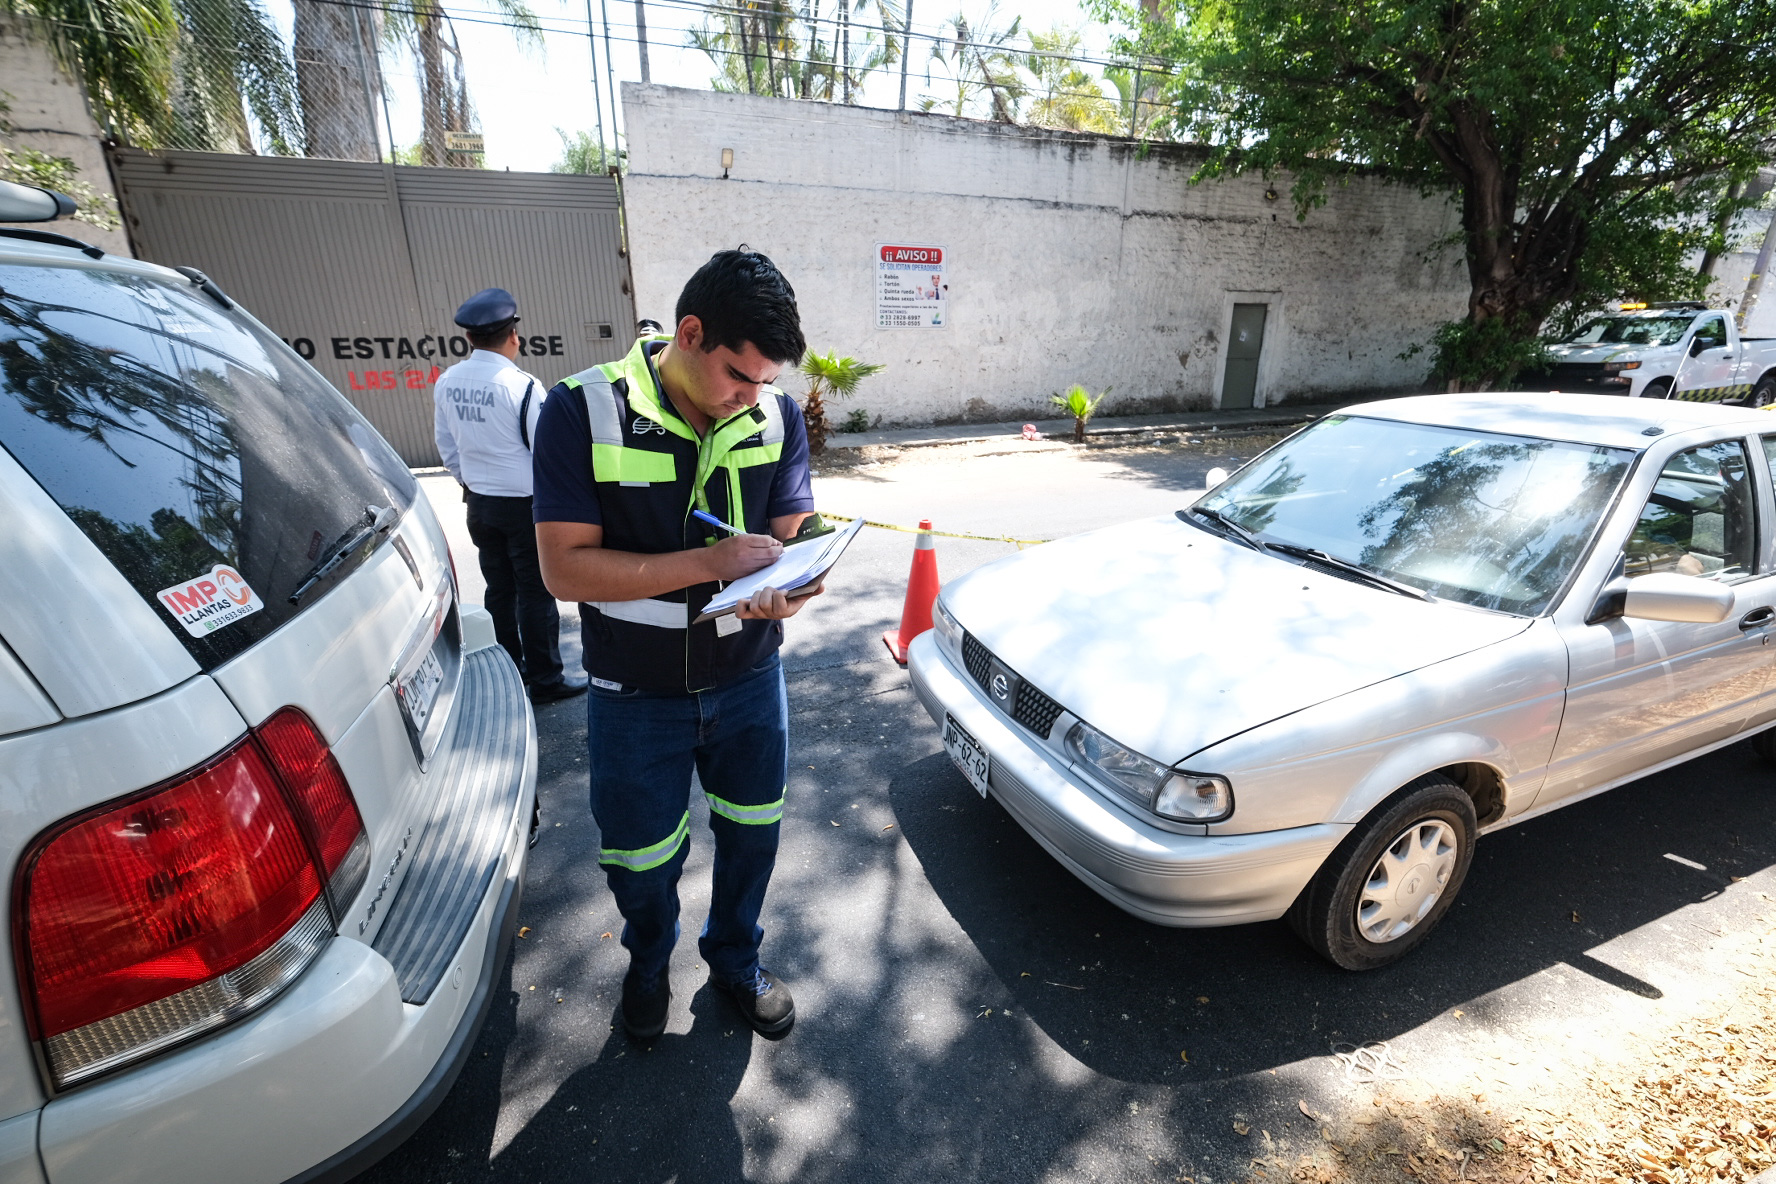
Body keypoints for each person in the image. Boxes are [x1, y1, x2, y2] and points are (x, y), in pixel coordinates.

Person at [531, 250, 818, 1041]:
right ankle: (649, 963)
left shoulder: (775, 414)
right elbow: (563, 569)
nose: (751, 398)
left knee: (753, 834)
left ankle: (734, 958)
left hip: (750, 680)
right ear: (689, 333)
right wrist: (708, 565)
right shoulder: (579, 410)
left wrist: (801, 577)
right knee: (642, 862)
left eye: (765, 380)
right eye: (738, 376)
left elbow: (796, 531)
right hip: (635, 696)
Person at [434, 287, 587, 705]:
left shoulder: (447, 381)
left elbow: (446, 446)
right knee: (535, 592)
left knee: (499, 589)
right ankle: (546, 679)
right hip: (523, 505)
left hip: (479, 503)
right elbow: (547, 452)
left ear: (468, 338)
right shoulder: (522, 386)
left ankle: (509, 671)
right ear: (514, 335)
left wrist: (471, 481)